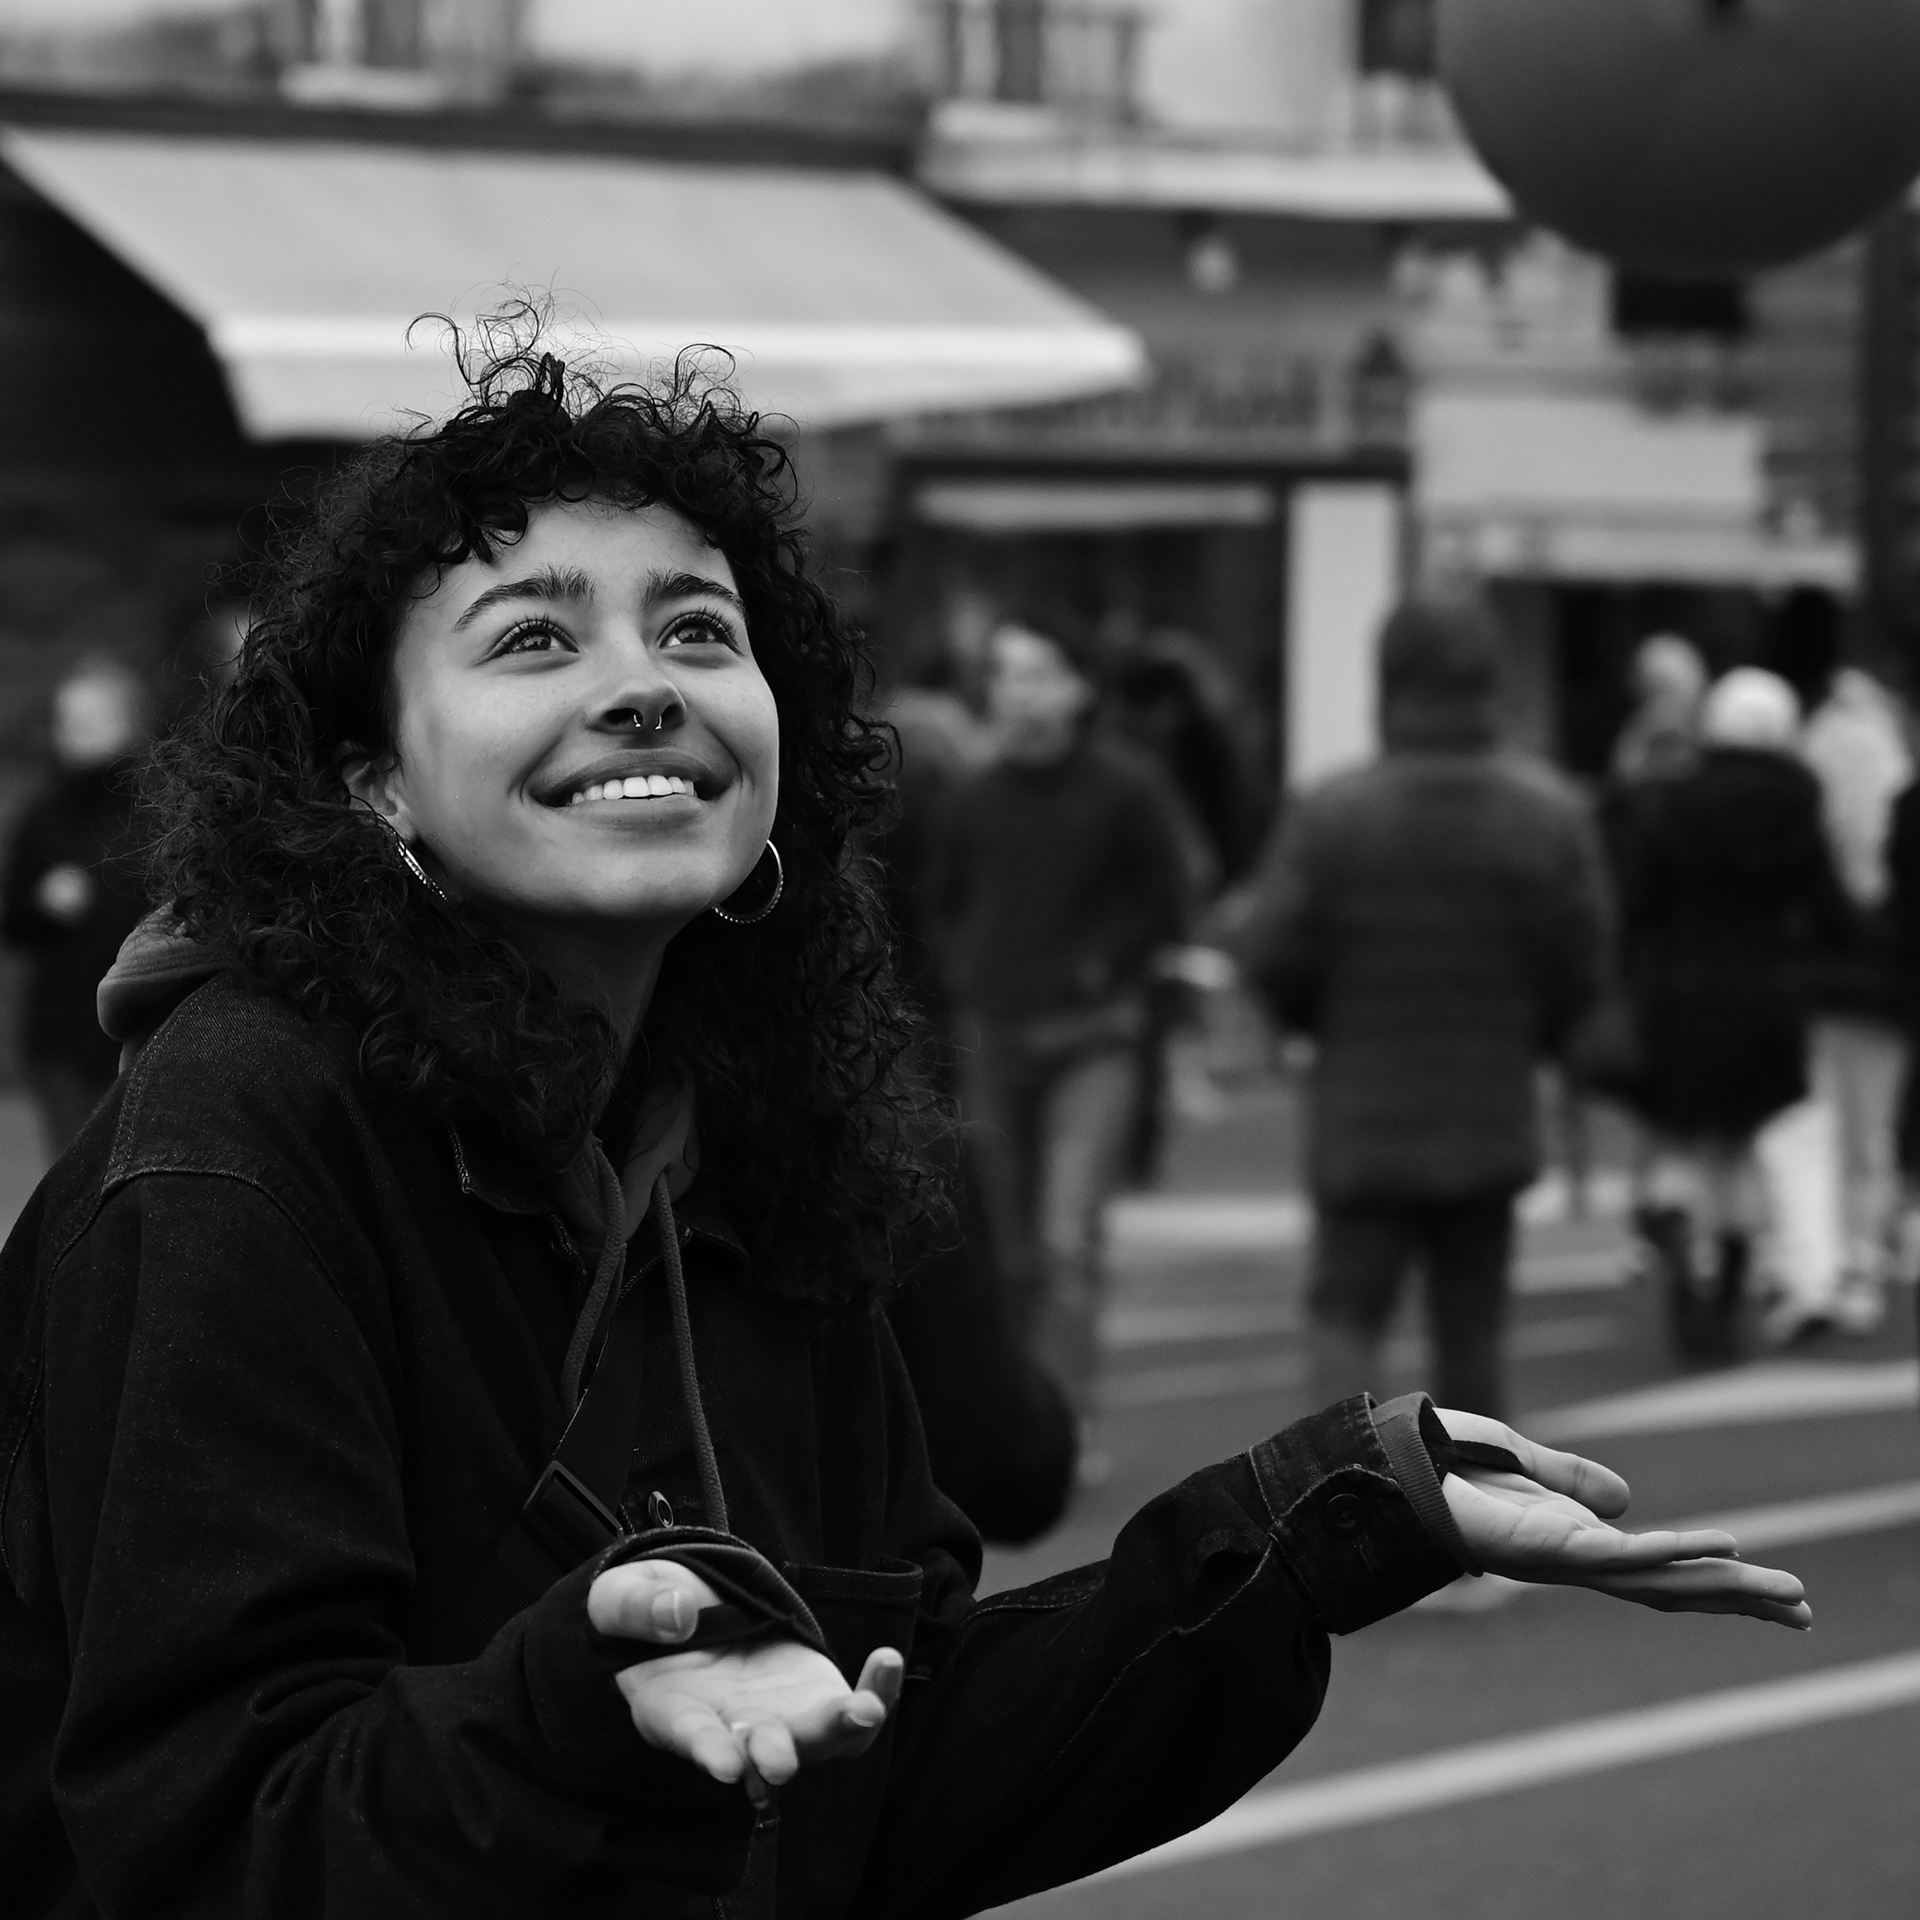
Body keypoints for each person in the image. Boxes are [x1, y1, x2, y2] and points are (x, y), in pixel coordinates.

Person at [0, 346, 1810, 1920]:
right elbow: (214, 1838)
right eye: (533, 636)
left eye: (698, 630)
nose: (644, 684)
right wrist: (578, 1707)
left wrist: (1335, 1520)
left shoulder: (759, 1140)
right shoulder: (236, 1145)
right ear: (373, 784)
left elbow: (890, 1764)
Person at [1228, 597, 1611, 1421]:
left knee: (1346, 1314)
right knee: (1472, 1333)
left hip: (1363, 1108)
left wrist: (1311, 1020)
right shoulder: (1547, 813)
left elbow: (1271, 954)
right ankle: (1476, 1493)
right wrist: (1536, 1033)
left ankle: (1337, 1488)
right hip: (1489, 1103)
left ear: (1388, 682)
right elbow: (1581, 967)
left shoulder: (1334, 812)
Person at [931, 620, 1189, 1427]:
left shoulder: (1125, 789)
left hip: (1092, 1039)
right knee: (1007, 1252)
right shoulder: (975, 796)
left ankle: (1065, 1426)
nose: (1019, 691)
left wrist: (1103, 966)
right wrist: (966, 972)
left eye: (1039, 672)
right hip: (996, 1036)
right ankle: (1016, 1425)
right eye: (1006, 674)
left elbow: (1168, 897)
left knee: (1065, 1238)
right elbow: (941, 903)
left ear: (1080, 689)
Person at [1619, 668, 1855, 1357]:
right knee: (1747, 1142)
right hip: (1769, 995)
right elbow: (1831, 912)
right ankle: (1725, 1289)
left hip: (1685, 993)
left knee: (1684, 1133)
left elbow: (1640, 907)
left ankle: (1674, 1215)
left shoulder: (1673, 802)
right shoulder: (1797, 805)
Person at [0, 656, 149, 1155]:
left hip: (139, 1026)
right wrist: (42, 903)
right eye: (67, 720)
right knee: (73, 1172)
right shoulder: (42, 817)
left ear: (126, 721)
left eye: (90, 718)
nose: (75, 732)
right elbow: (15, 925)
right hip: (61, 1034)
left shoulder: (157, 814)